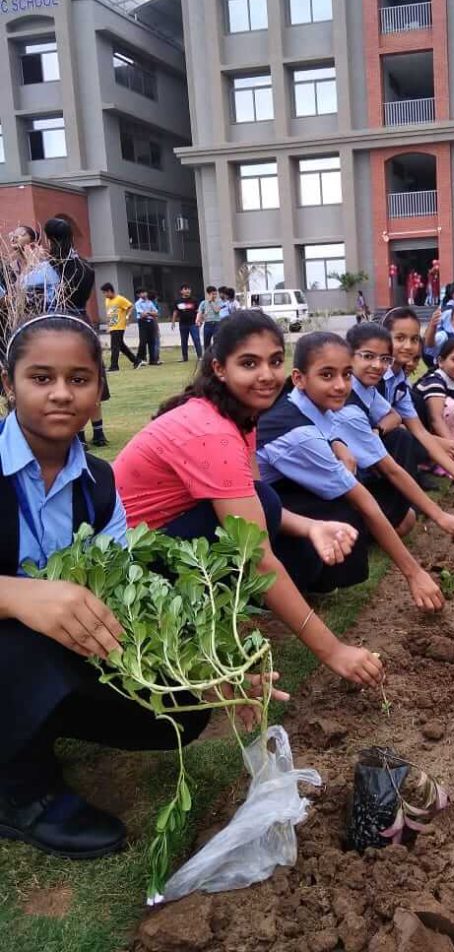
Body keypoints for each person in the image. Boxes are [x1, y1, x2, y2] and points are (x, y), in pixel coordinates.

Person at [0, 313, 285, 860]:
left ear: (99, 390)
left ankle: (40, 715)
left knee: (179, 709)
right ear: (9, 384)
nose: (61, 393)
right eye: (40, 378)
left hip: (51, 645)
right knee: (20, 637)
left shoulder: (98, 483)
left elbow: (117, 591)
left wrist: (207, 672)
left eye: (79, 379)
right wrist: (15, 595)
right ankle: (19, 789)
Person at [114, 311, 384, 687]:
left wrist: (313, 527)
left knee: (269, 506)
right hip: (129, 565)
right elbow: (256, 557)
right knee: (259, 534)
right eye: (249, 363)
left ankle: (223, 613)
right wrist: (333, 651)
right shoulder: (212, 431)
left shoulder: (239, 415)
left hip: (166, 535)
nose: (267, 375)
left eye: (274, 361)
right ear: (219, 369)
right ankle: (188, 623)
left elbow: (256, 504)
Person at [257, 333, 444, 613]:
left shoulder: (306, 403)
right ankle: (278, 585)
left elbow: (331, 430)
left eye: (346, 375)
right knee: (348, 511)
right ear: (299, 378)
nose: (341, 385)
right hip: (252, 517)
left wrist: (339, 444)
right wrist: (414, 573)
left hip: (272, 499)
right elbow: (363, 500)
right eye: (327, 375)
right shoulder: (301, 435)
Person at [340, 323, 454, 539]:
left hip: (364, 462)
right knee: (401, 439)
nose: (377, 365)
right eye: (368, 356)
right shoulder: (350, 402)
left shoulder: (370, 387)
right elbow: (392, 469)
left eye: (384, 359)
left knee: (406, 518)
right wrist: (439, 516)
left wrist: (377, 430)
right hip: (338, 483)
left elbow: (396, 417)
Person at [380, 307, 454, 482]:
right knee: (400, 436)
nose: (408, 346)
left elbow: (419, 431)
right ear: (383, 339)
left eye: (414, 339)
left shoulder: (399, 381)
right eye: (400, 338)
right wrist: (442, 443)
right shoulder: (375, 376)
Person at [43, 218, 109, 448]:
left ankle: (78, 436)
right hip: (83, 321)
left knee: (66, 378)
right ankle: (98, 432)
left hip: (61, 323)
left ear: (50, 238)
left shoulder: (49, 267)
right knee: (89, 375)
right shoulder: (85, 267)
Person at [414, 337, 454, 451]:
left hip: (446, 435)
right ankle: (446, 451)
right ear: (441, 362)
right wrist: (452, 447)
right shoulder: (434, 381)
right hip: (422, 431)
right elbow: (436, 419)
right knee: (450, 405)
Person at [100, 283, 140, 372]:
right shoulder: (107, 300)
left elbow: (130, 306)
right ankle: (136, 361)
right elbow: (109, 314)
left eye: (105, 293)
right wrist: (108, 325)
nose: (104, 295)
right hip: (112, 326)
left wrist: (127, 317)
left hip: (119, 326)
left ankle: (114, 366)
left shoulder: (120, 299)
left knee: (114, 346)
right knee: (121, 346)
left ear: (110, 291)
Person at [171, 283, 202, 362]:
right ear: (181, 291)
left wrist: (199, 320)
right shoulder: (178, 301)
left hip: (193, 323)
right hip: (183, 324)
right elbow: (175, 312)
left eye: (189, 289)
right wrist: (173, 322)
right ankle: (184, 357)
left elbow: (198, 311)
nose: (187, 291)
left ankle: (200, 356)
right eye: (185, 289)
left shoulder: (194, 300)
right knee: (184, 340)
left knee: (196, 339)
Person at [134, 288, 160, 367]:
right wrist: (150, 313)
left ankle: (153, 360)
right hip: (143, 322)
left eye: (144, 292)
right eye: (141, 293)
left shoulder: (150, 302)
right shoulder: (138, 303)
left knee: (152, 341)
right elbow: (142, 314)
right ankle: (139, 360)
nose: (144, 294)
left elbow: (156, 313)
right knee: (143, 341)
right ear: (138, 295)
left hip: (151, 322)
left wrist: (148, 313)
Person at [197, 285, 223, 349]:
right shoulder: (203, 303)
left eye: (215, 294)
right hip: (207, 324)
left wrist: (211, 302)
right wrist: (198, 321)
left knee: (217, 341)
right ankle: (207, 354)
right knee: (206, 342)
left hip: (217, 323)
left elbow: (216, 310)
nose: (215, 296)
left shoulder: (219, 302)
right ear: (208, 294)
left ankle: (216, 354)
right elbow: (200, 312)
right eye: (213, 294)